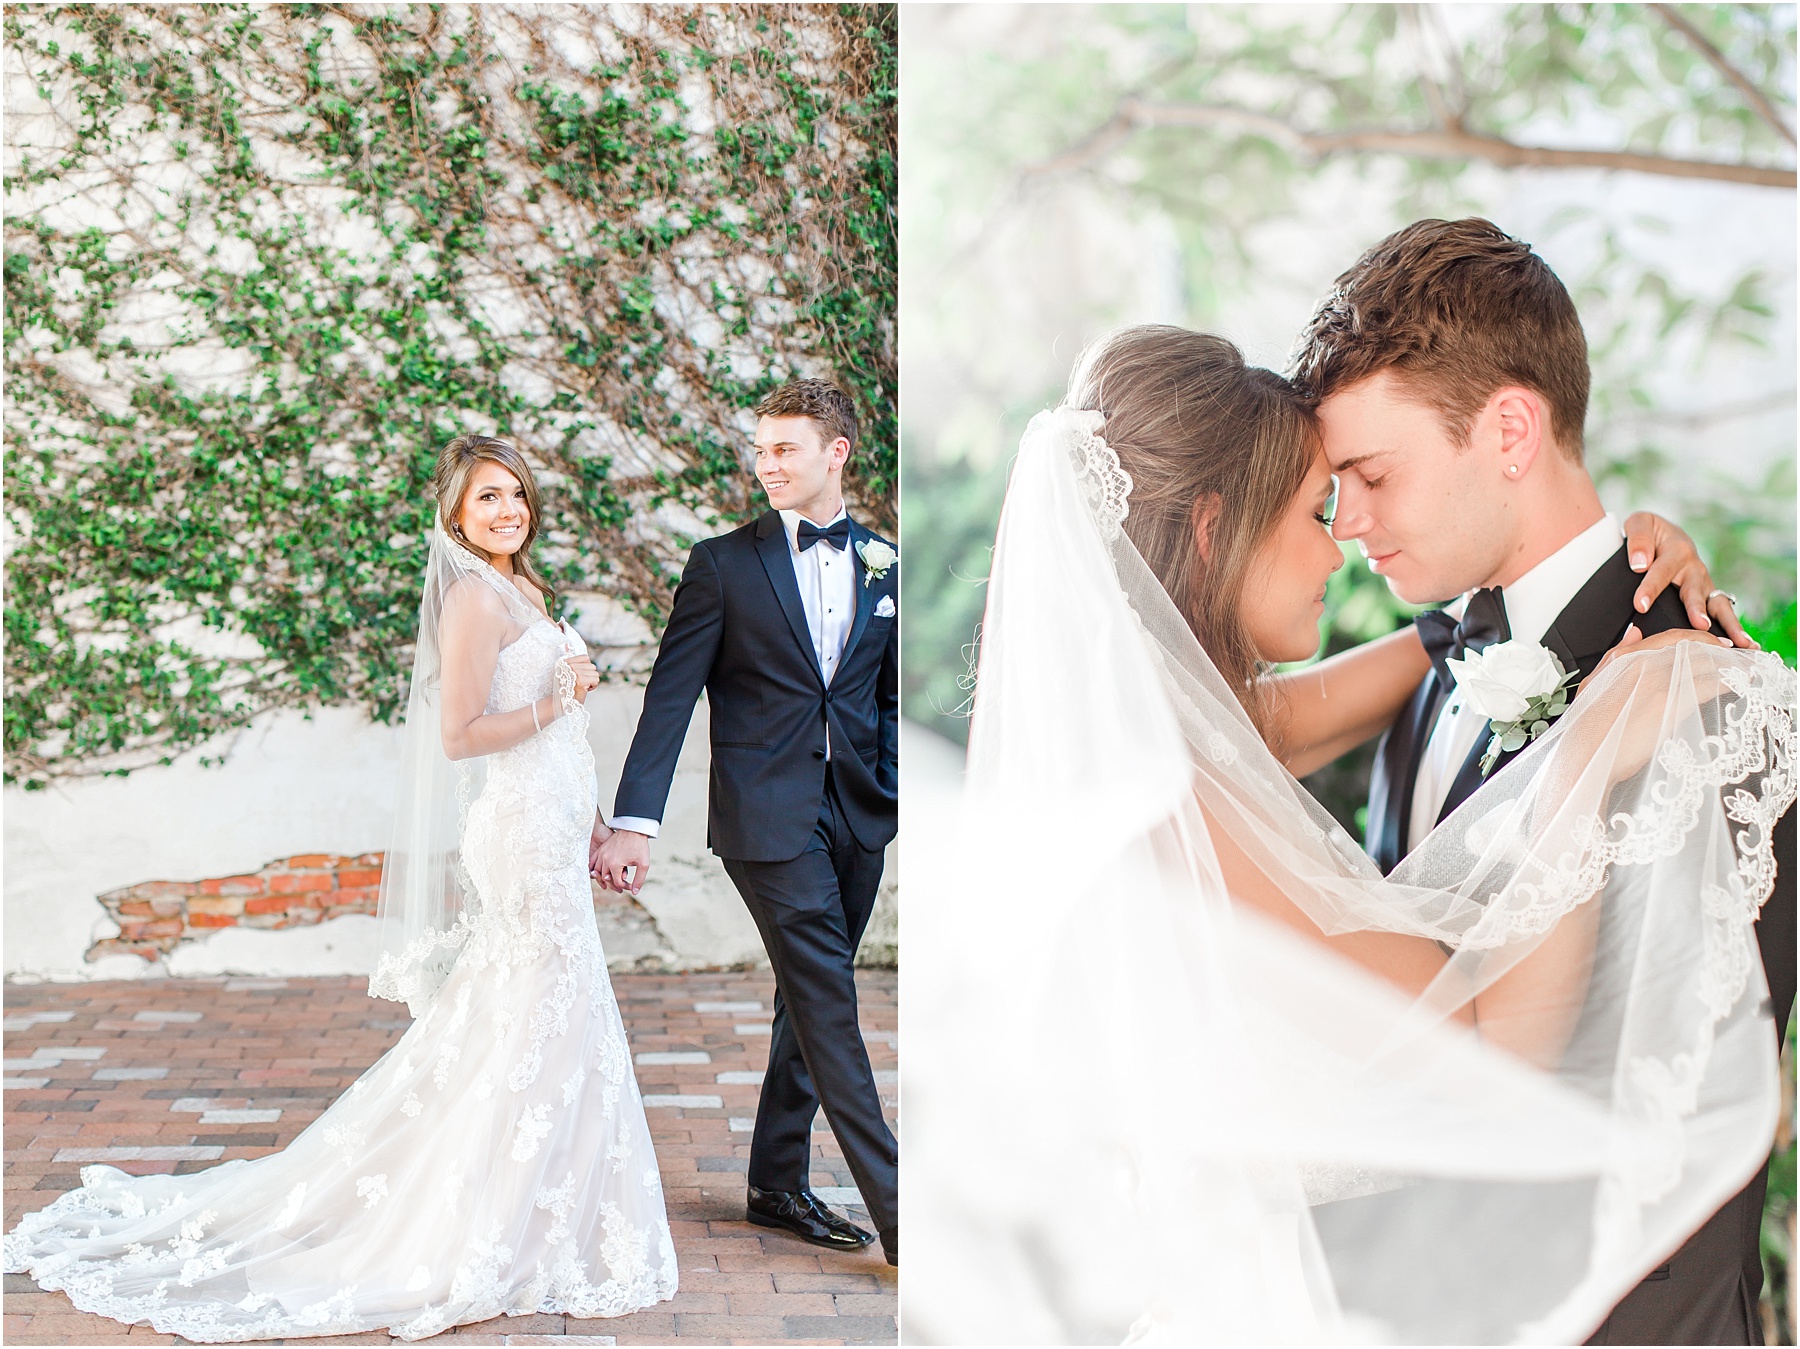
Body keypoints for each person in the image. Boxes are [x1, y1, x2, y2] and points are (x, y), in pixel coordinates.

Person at [907, 323, 1793, 1344]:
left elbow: (1299, 713)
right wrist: (1584, 759)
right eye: (1315, 508)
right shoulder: (1173, 803)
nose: (1342, 540)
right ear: (1210, 530)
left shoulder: (1121, 757)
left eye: (1365, 482)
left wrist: (1526, 609)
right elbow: (1492, 1056)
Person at [4, 435, 678, 1340]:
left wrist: (595, 824)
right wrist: (559, 696)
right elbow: (462, 735)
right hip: (517, 835)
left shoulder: (524, 589)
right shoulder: (475, 599)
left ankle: (536, 1209)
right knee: (534, 1009)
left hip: (555, 825)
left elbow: (561, 747)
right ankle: (483, 1221)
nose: (508, 510)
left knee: (538, 1013)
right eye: (488, 499)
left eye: (517, 494)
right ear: (455, 514)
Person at [1292, 218, 1795, 1345]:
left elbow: (1667, 1109)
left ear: (1511, 427)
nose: (1349, 521)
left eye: (1372, 474)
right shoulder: (1437, 659)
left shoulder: (1711, 694)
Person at [592, 377, 899, 1267]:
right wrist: (636, 820)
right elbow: (671, 697)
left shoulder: (885, 561)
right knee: (831, 1006)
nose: (765, 464)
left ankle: (775, 1181)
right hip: (767, 822)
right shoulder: (722, 565)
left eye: (784, 449)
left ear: (834, 454)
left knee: (806, 997)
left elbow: (879, 693)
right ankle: (902, 1218)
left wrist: (889, 792)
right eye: (760, 449)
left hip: (859, 817)